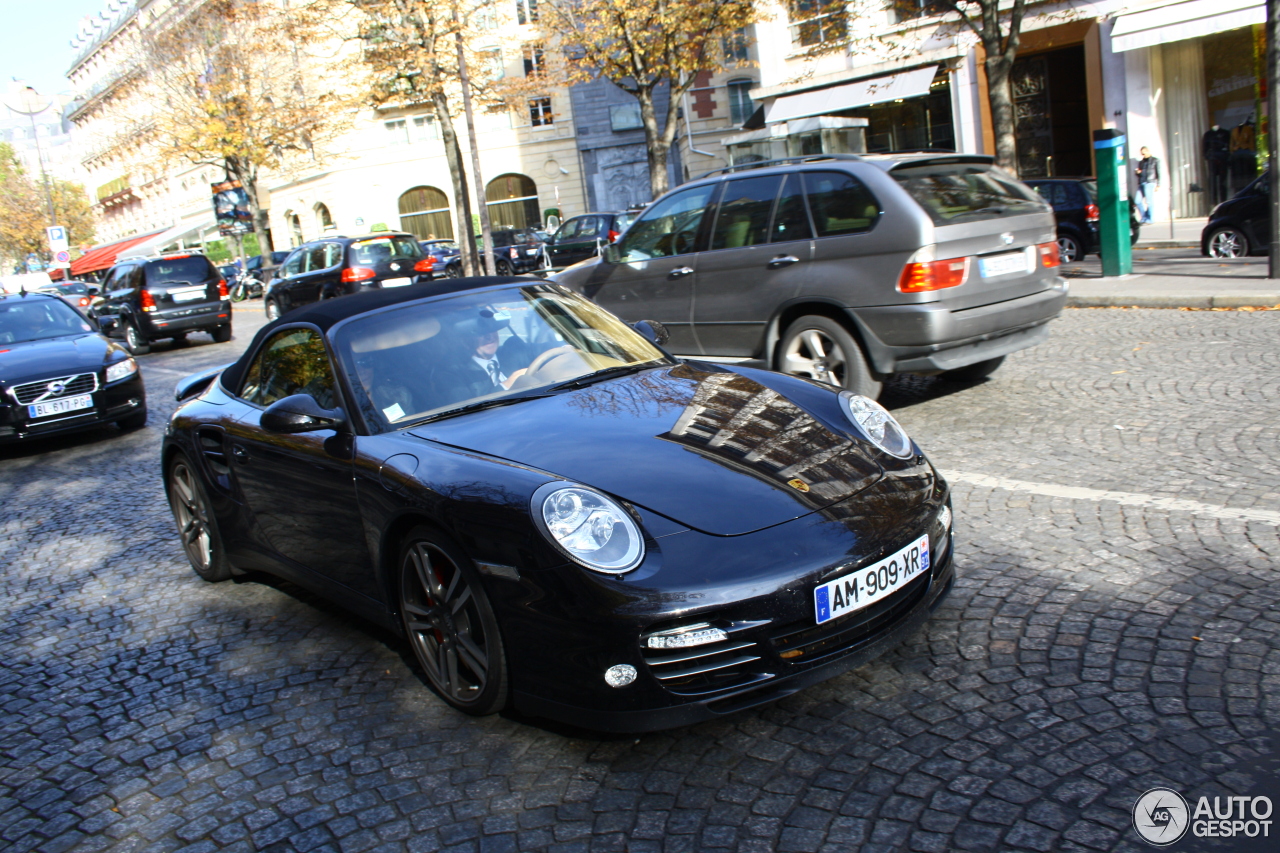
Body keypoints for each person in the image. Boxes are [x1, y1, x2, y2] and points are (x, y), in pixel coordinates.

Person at [1133, 147, 1161, 225]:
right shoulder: (1141, 162)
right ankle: (1144, 217)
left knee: (1149, 201)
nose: (1143, 155)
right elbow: (1140, 174)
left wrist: (1158, 184)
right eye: (1142, 153)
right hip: (1142, 182)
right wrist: (1138, 173)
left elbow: (1158, 172)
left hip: (1150, 182)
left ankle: (1151, 219)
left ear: (1148, 151)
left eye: (1144, 153)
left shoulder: (1155, 160)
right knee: (1137, 201)